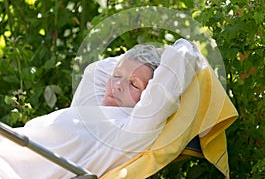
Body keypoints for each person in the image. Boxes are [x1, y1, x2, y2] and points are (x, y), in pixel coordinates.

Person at [0, 38, 207, 178]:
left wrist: (155, 62)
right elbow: (96, 71)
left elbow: (182, 56)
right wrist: (133, 62)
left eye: (134, 84)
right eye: (116, 76)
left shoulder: (132, 129)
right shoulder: (92, 107)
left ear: (149, 96)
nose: (117, 85)